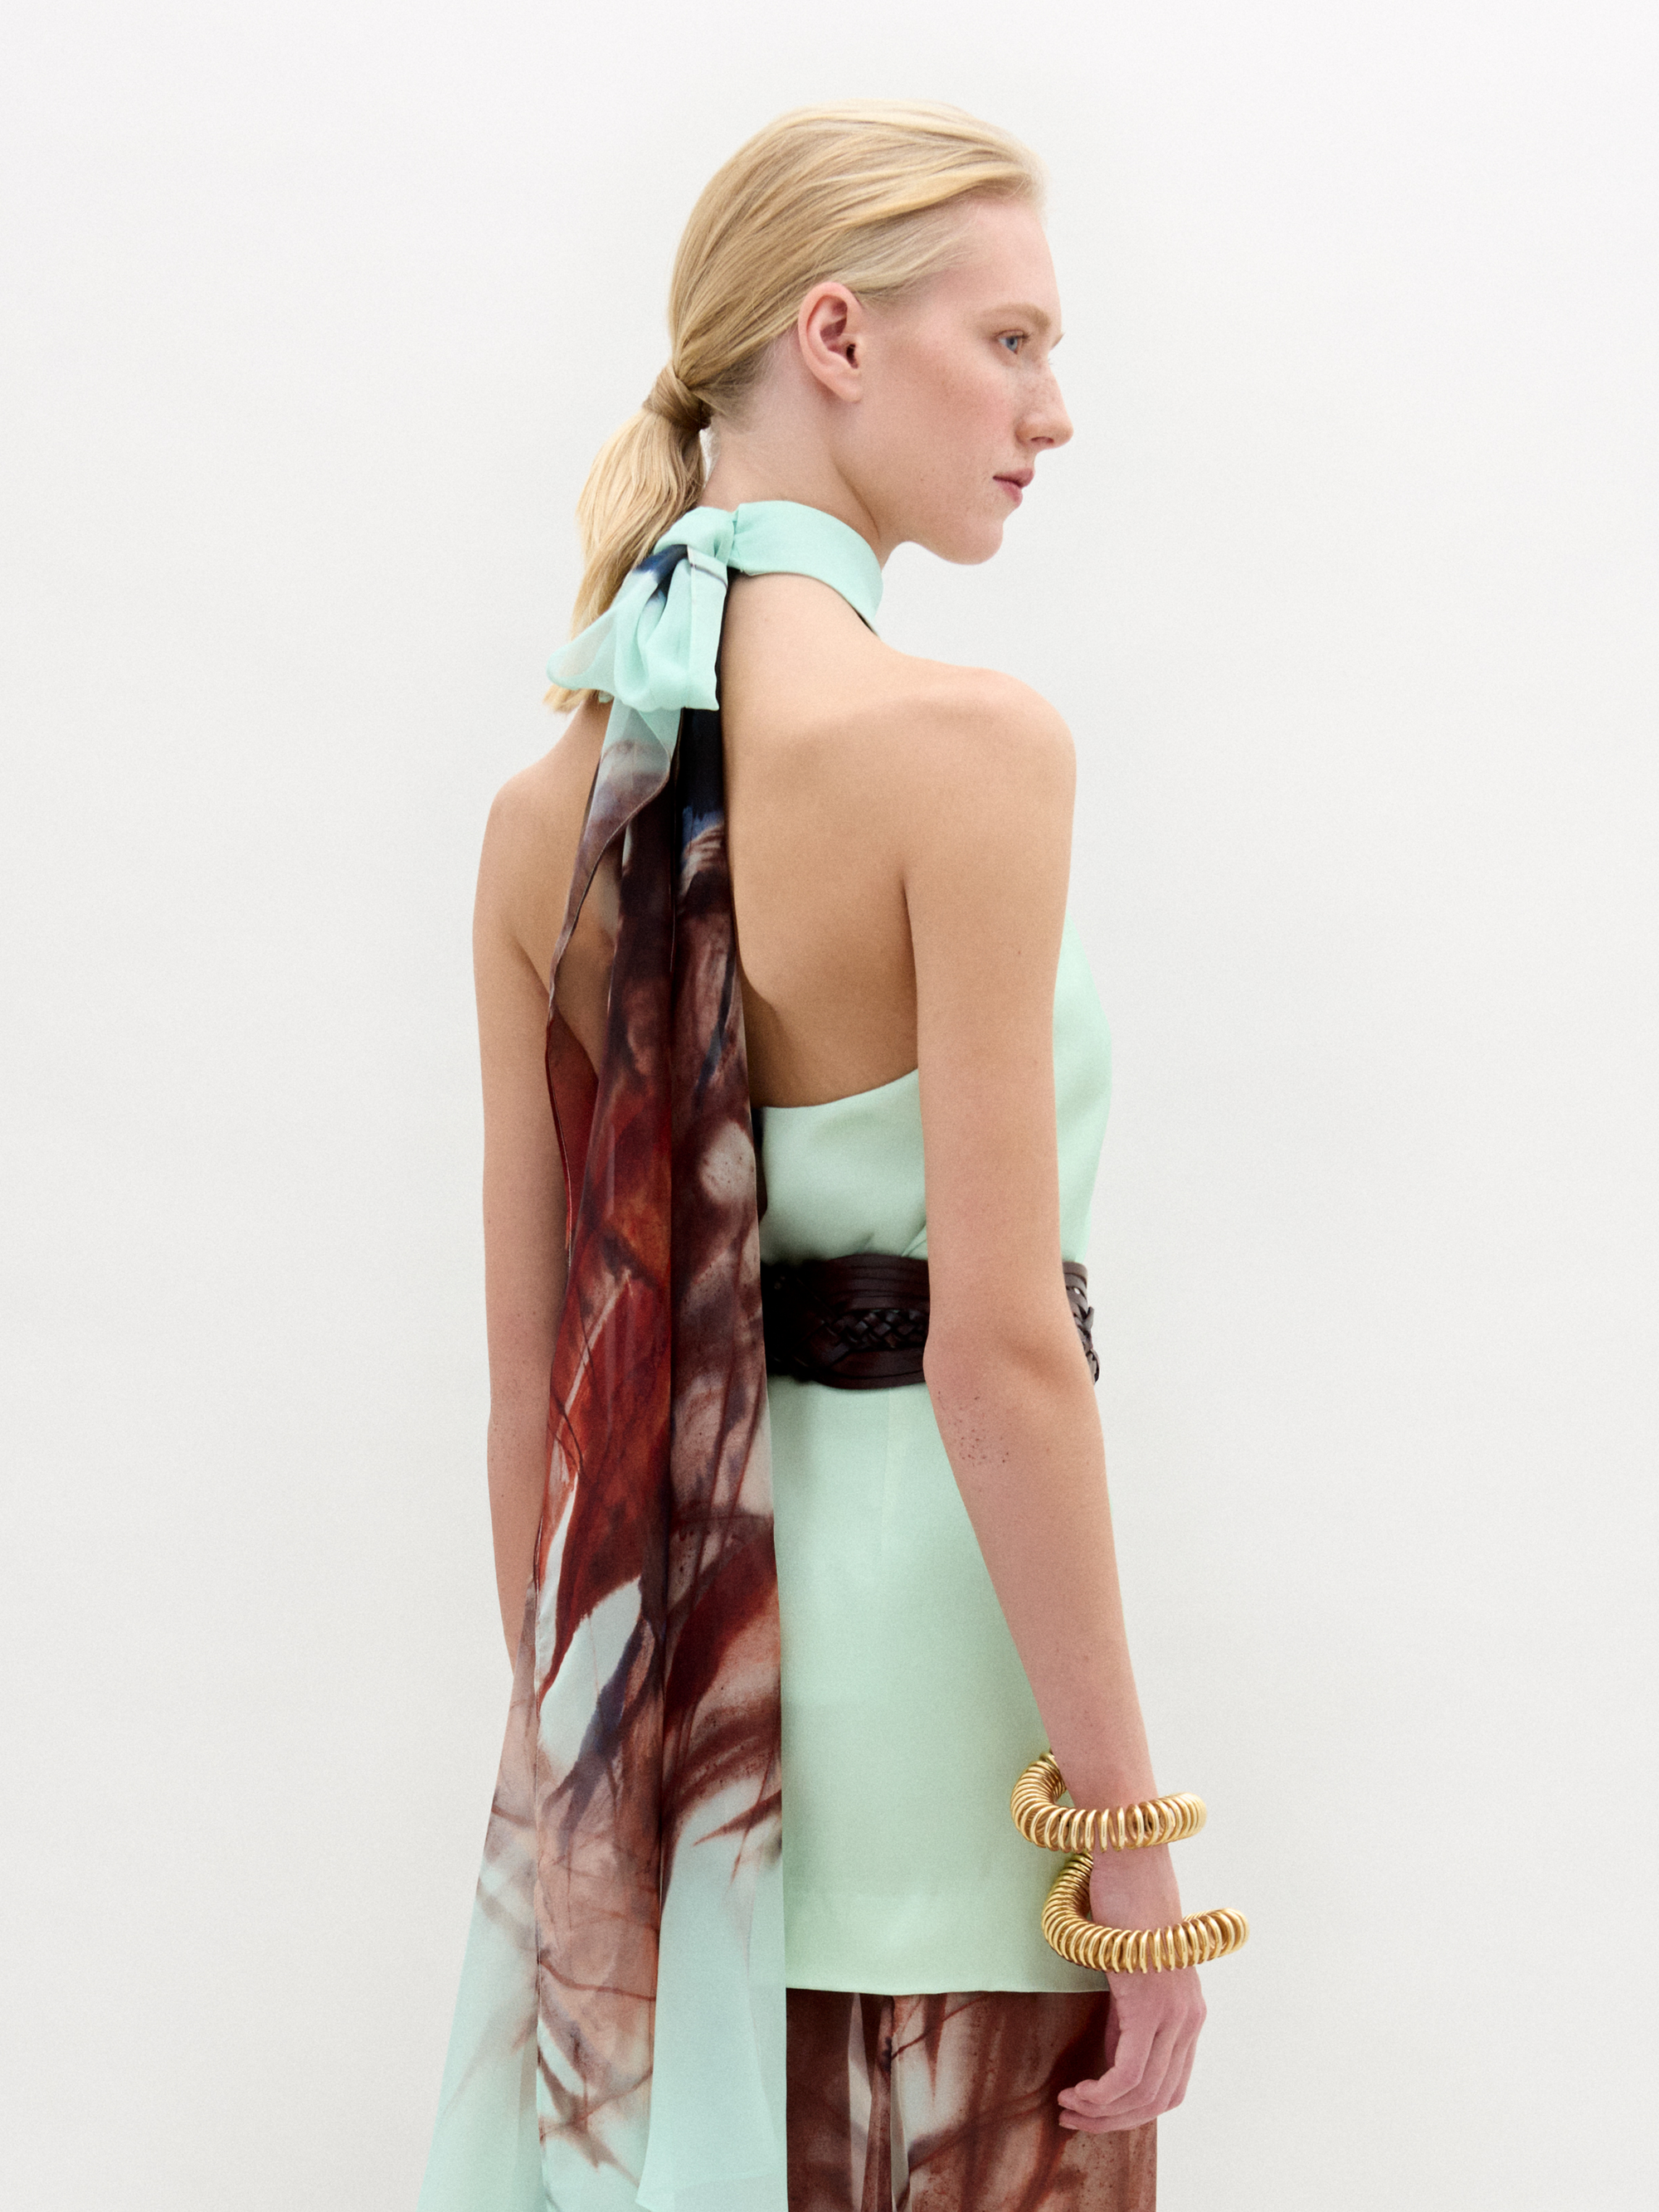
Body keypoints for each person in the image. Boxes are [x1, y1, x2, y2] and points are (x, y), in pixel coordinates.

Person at [417, 102, 1214, 2212]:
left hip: (673, 1779)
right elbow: (998, 1359)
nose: (1056, 410)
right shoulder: (966, 755)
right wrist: (1130, 1836)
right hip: (953, 1758)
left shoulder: (539, 821)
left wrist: (613, 1822)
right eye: (1017, 339)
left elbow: (536, 1401)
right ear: (838, 336)